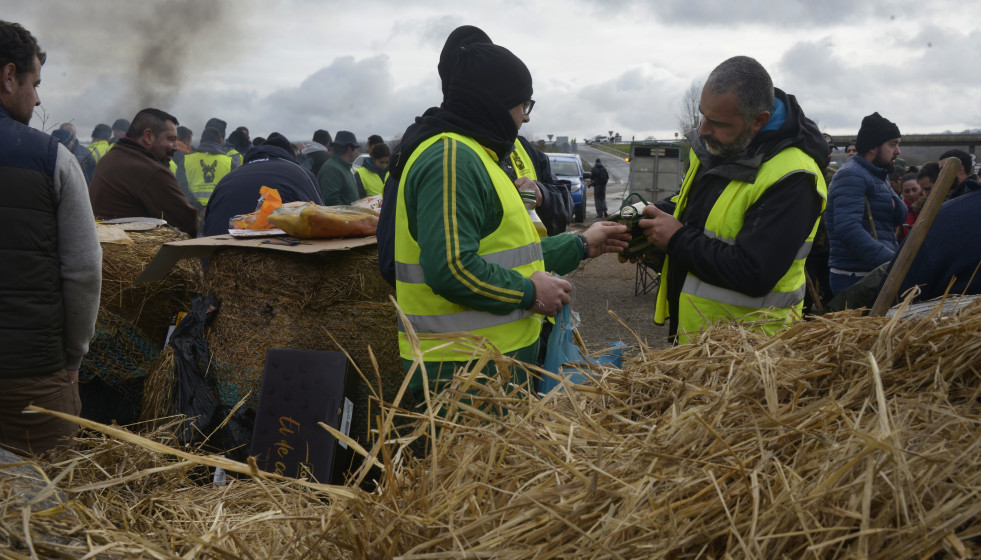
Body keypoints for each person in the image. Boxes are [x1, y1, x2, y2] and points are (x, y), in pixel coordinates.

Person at [389, 25, 629, 403]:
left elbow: (512, 255)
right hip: (466, 375)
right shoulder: (451, 159)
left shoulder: (477, 156)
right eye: (523, 105)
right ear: (492, 103)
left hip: (491, 366)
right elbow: (451, 269)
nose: (526, 118)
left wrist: (582, 244)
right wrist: (530, 292)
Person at [638, 56, 828, 344]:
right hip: (698, 341)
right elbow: (696, 208)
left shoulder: (794, 177)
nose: (703, 130)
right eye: (702, 115)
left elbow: (754, 272)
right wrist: (643, 217)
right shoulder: (720, 146)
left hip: (751, 351)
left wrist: (676, 239)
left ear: (759, 121)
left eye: (717, 122)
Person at [0, 21, 101, 456]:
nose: (38, 98)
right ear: (8, 76)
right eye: (34, 83)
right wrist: (73, 360)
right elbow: (83, 269)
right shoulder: (51, 158)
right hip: (27, 375)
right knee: (48, 504)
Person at [826, 112, 906, 295]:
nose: (897, 151)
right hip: (856, 277)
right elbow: (847, 228)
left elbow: (899, 216)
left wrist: (892, 201)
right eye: (892, 144)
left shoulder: (876, 173)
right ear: (872, 148)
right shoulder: (851, 175)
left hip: (874, 271)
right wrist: (893, 262)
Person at [89, 108, 199, 236]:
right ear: (148, 136)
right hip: (132, 252)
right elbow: (187, 223)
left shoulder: (110, 157)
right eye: (170, 139)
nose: (175, 147)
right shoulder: (151, 171)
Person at [202, 132, 324, 237]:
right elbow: (321, 218)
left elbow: (207, 225)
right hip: (280, 258)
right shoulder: (301, 174)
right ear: (290, 155)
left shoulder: (228, 178)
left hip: (216, 255)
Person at [179, 125, 235, 215]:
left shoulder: (185, 161)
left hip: (192, 215)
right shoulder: (231, 163)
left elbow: (181, 188)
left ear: (201, 142)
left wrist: (200, 208)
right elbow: (232, 191)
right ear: (220, 142)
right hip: (219, 213)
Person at [317, 130, 361, 205]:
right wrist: (350, 215)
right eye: (356, 148)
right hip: (344, 216)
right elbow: (332, 203)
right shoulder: (331, 169)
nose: (357, 152)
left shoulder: (344, 167)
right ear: (350, 148)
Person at [897, 171, 924, 242]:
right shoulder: (900, 210)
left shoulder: (930, 205)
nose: (911, 194)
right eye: (906, 191)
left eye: (914, 190)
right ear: (902, 192)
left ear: (921, 188)